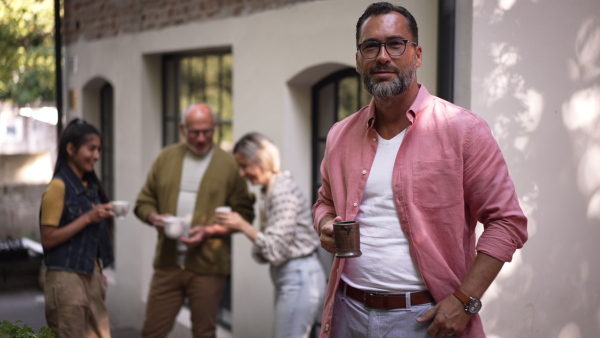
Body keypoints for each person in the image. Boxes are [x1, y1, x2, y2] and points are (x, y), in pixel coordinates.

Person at [313, 3, 528, 338]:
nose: (383, 56)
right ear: (358, 60)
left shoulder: (463, 130)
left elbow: (507, 223)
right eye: (370, 46)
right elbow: (324, 202)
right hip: (346, 312)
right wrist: (326, 223)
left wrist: (464, 300)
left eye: (395, 44)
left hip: (425, 319)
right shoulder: (340, 135)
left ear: (417, 55)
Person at [134, 103, 254, 338]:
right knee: (151, 332)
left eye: (207, 131)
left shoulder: (229, 165)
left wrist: (210, 231)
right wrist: (154, 217)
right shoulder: (165, 158)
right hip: (167, 264)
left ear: (215, 127)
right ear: (182, 129)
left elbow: (245, 214)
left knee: (204, 333)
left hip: (208, 267)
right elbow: (143, 202)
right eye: (194, 132)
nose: (201, 138)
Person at [215, 132, 326, 338]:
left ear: (261, 161)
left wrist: (242, 225)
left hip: (299, 278)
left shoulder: (281, 191)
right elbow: (265, 250)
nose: (241, 174)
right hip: (292, 276)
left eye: (244, 166)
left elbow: (274, 251)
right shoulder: (269, 190)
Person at [39, 118, 114, 338]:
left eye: (99, 149)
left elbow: (92, 239)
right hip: (65, 278)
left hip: (90, 276)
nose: (97, 156)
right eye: (91, 149)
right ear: (71, 149)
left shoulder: (90, 187)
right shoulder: (58, 187)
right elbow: (48, 239)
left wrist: (98, 270)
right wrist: (88, 217)